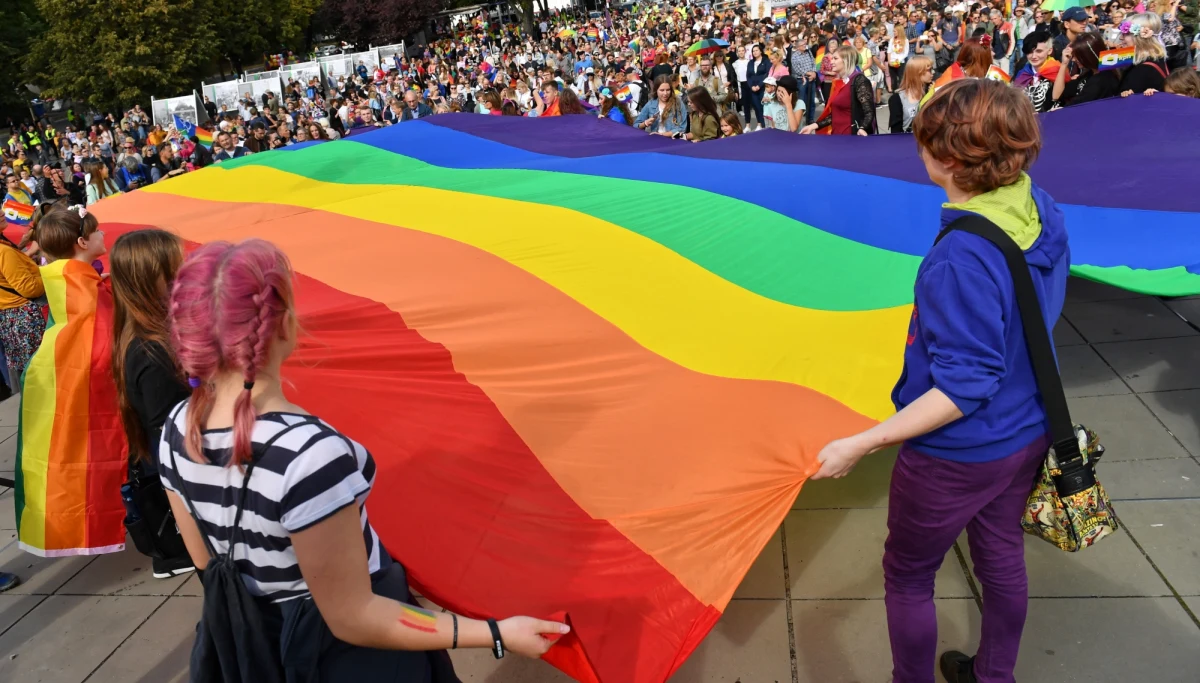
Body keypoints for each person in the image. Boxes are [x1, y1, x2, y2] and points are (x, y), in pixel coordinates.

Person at [161, 239, 570, 677]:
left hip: (255, 645)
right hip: (336, 658)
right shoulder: (309, 456)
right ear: (282, 326)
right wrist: (494, 633)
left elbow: (206, 561)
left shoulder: (177, 426)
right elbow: (356, 617)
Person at [811, 78, 1067, 683]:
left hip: (959, 453)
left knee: (907, 574)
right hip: (1028, 427)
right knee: (1001, 553)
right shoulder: (1039, 205)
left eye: (924, 143)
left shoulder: (959, 259)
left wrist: (863, 441)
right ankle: (994, 674)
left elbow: (964, 384)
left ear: (949, 160)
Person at [110, 229, 195, 578]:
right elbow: (170, 439)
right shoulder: (152, 351)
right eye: (176, 267)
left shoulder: (144, 333)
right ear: (152, 277)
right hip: (193, 485)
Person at [801, 45, 876, 135]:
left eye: (835, 58)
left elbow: (869, 111)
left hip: (852, 136)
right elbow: (836, 114)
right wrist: (813, 126)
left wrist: (863, 128)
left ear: (846, 60)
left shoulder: (859, 80)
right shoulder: (840, 82)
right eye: (831, 58)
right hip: (837, 135)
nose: (831, 62)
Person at [1053, 33, 1122, 106]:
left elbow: (1074, 107)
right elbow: (1056, 96)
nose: (1073, 59)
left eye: (1077, 56)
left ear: (1087, 56)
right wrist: (1064, 64)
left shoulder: (1100, 81)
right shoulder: (1089, 73)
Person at [1119, 13, 1171, 96]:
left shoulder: (1144, 69)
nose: (1121, 37)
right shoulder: (1158, 58)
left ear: (1140, 38)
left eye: (1127, 34)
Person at [1013, 30, 1061, 112]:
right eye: (1029, 52)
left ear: (1049, 51)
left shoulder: (1058, 72)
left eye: (1039, 51)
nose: (1033, 56)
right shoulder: (1023, 71)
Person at [889, 56, 933, 133]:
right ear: (918, 73)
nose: (933, 73)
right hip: (906, 142)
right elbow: (895, 133)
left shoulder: (931, 93)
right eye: (929, 70)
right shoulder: (897, 99)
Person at [744, 44, 771, 131]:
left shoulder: (766, 61)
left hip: (763, 87)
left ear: (760, 51)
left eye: (756, 50)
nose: (755, 52)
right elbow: (748, 76)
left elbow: (767, 74)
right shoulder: (750, 63)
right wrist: (751, 86)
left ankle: (766, 125)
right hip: (753, 88)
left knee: (764, 106)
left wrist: (759, 85)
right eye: (753, 51)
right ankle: (760, 124)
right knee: (756, 106)